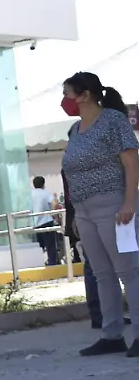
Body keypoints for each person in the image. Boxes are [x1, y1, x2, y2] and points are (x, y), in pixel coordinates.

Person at [58, 71, 139, 358]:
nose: (64, 101)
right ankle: (111, 334)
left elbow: (131, 163)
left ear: (85, 95)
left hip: (113, 206)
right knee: (102, 273)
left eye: (67, 95)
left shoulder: (113, 121)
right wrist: (75, 215)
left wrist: (129, 203)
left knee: (128, 271)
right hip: (85, 210)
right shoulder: (75, 129)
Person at [62, 170, 131, 331]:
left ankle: (106, 315)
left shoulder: (72, 159)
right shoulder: (79, 161)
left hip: (89, 213)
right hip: (92, 213)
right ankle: (103, 315)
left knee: (100, 267)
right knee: (101, 267)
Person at [32, 176, 60, 266]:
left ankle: (38, 264)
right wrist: (55, 216)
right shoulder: (46, 193)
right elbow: (54, 204)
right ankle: (52, 264)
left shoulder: (30, 194)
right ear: (43, 184)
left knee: (38, 246)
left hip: (34, 223)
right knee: (50, 246)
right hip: (46, 222)